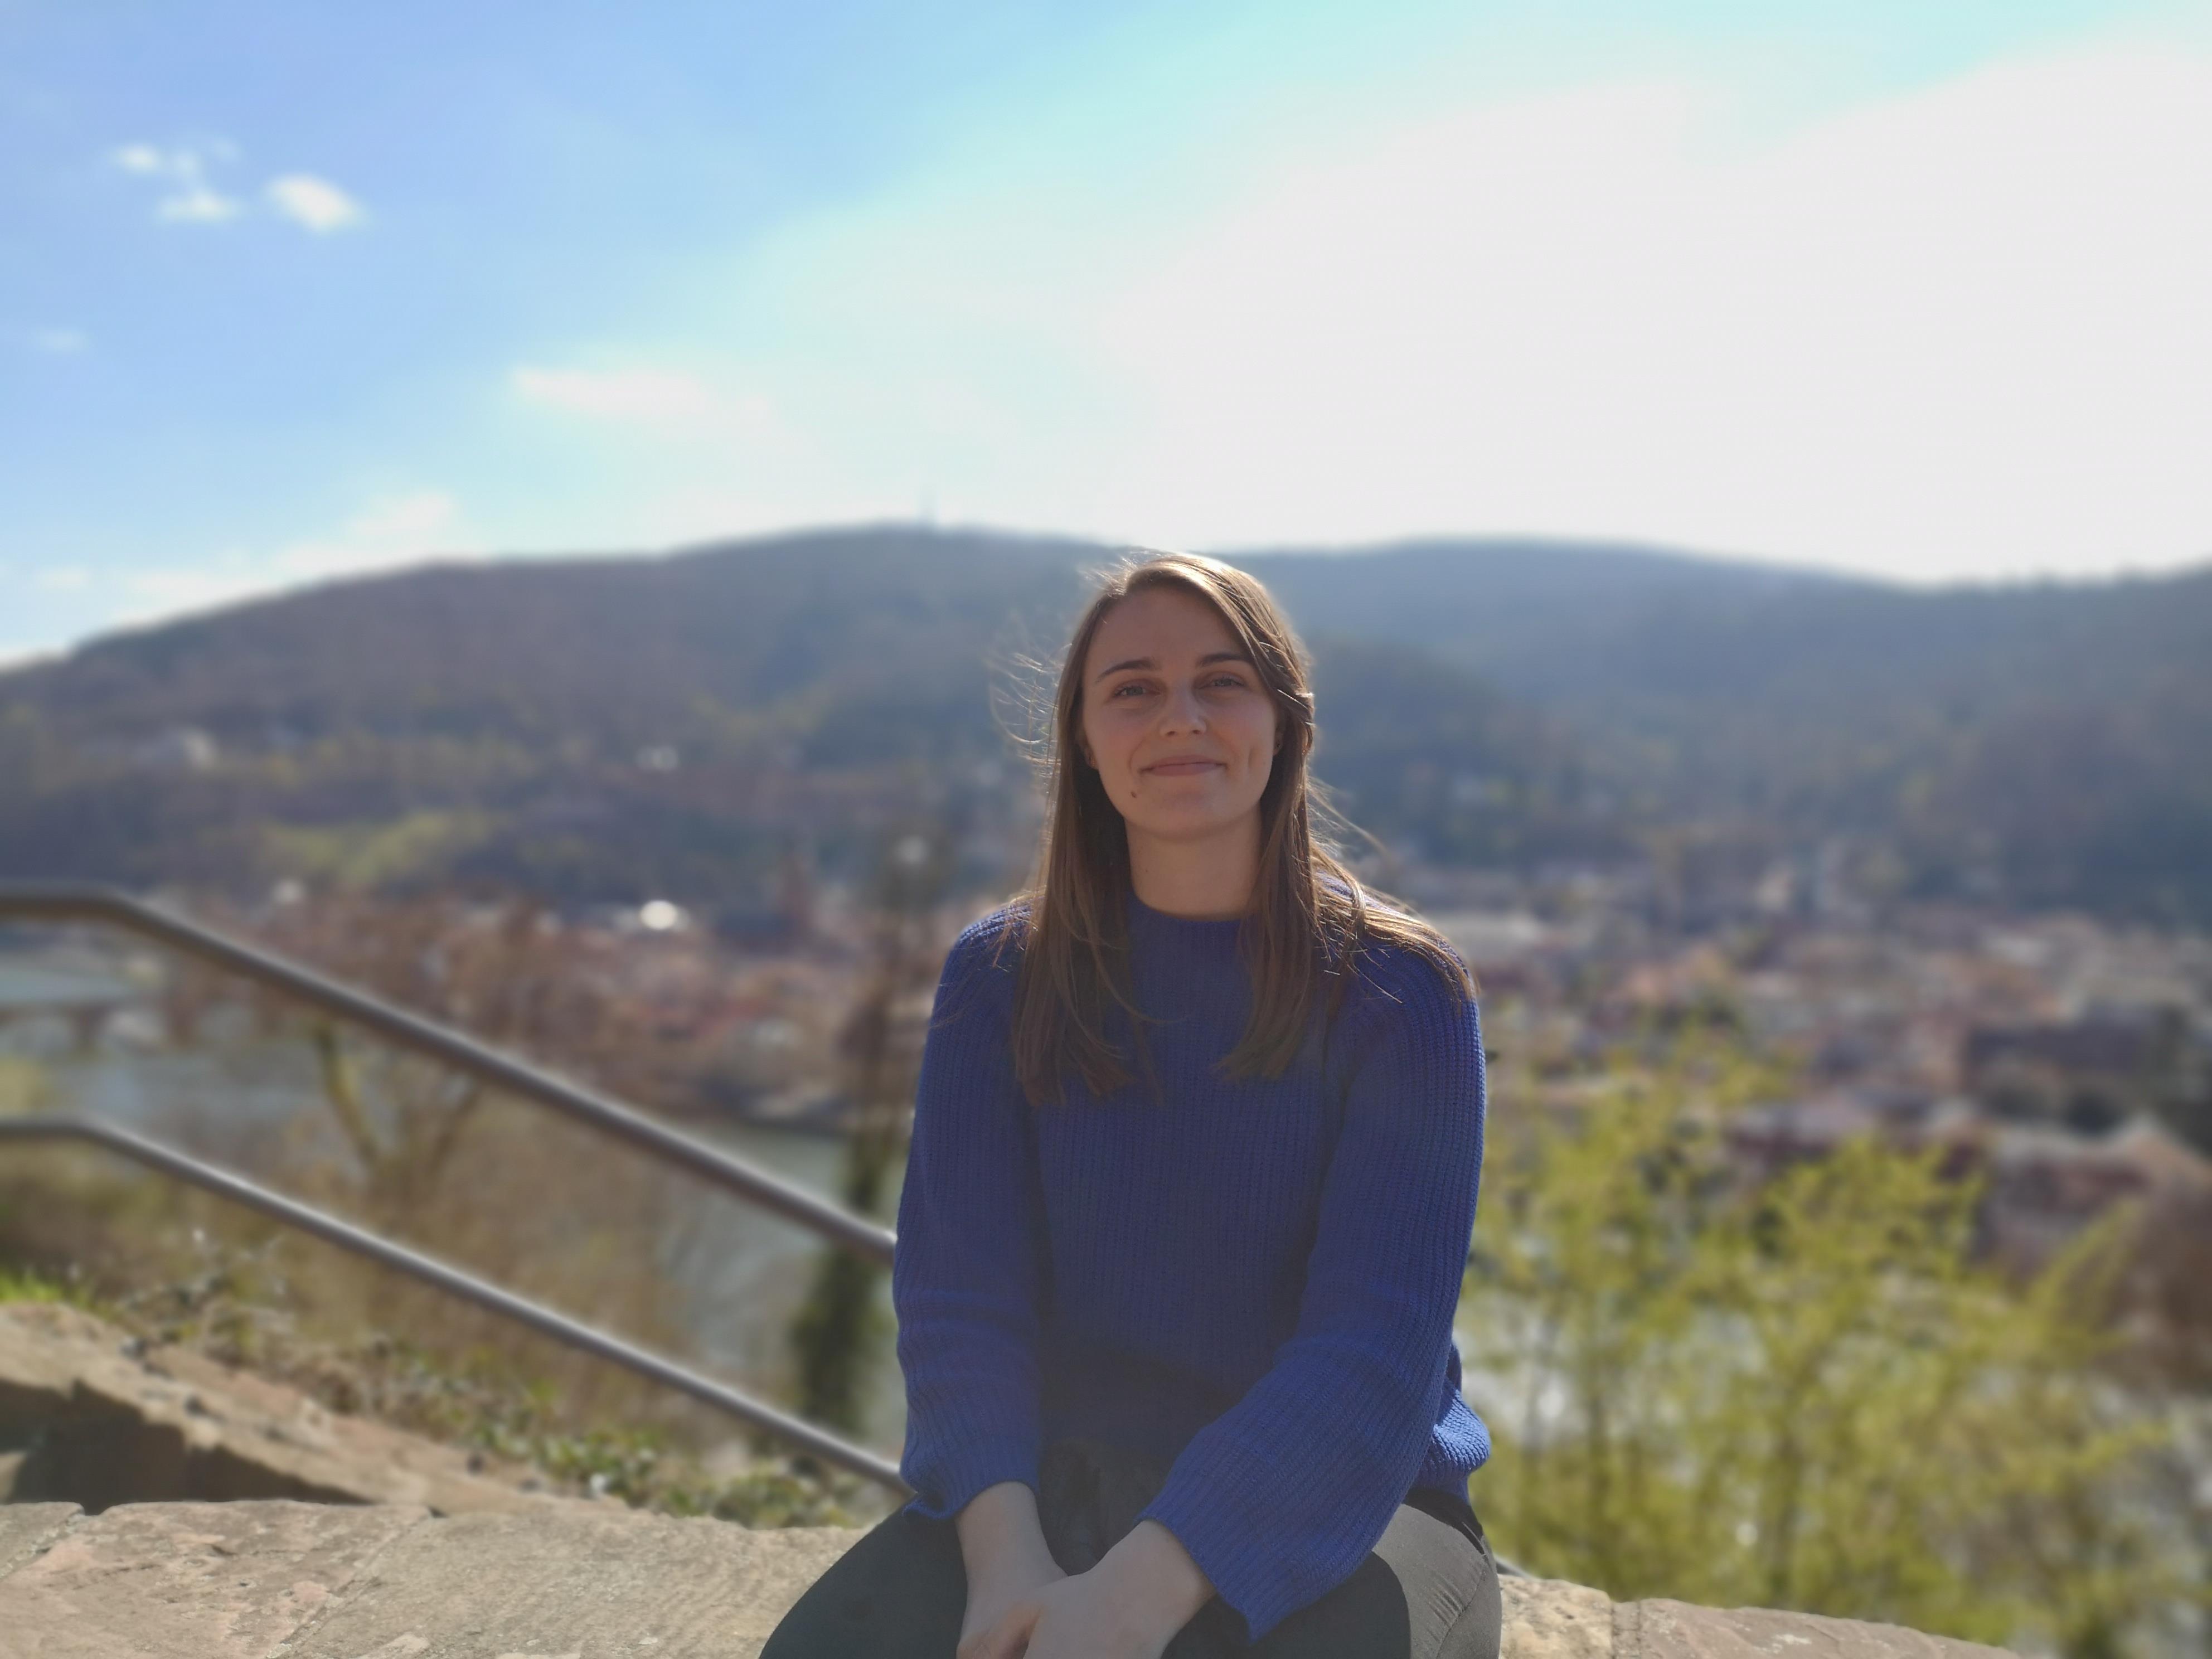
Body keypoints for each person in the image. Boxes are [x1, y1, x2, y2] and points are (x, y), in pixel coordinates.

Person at [763, 553, 1498, 1659]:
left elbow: (1370, 1354)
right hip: (1058, 1485)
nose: (1180, 717)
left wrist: (1132, 1599)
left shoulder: (1403, 995)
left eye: (1222, 682)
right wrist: (1005, 1568)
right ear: (1084, 739)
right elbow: (960, 1300)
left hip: (1358, 1501)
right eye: (1134, 689)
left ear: (1285, 724)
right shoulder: (1001, 978)